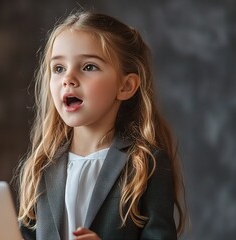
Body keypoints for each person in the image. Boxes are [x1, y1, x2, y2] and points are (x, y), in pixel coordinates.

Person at [15, 11, 186, 240]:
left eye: (88, 67)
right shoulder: (43, 164)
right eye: (58, 68)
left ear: (125, 86)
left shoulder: (146, 163)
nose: (68, 78)